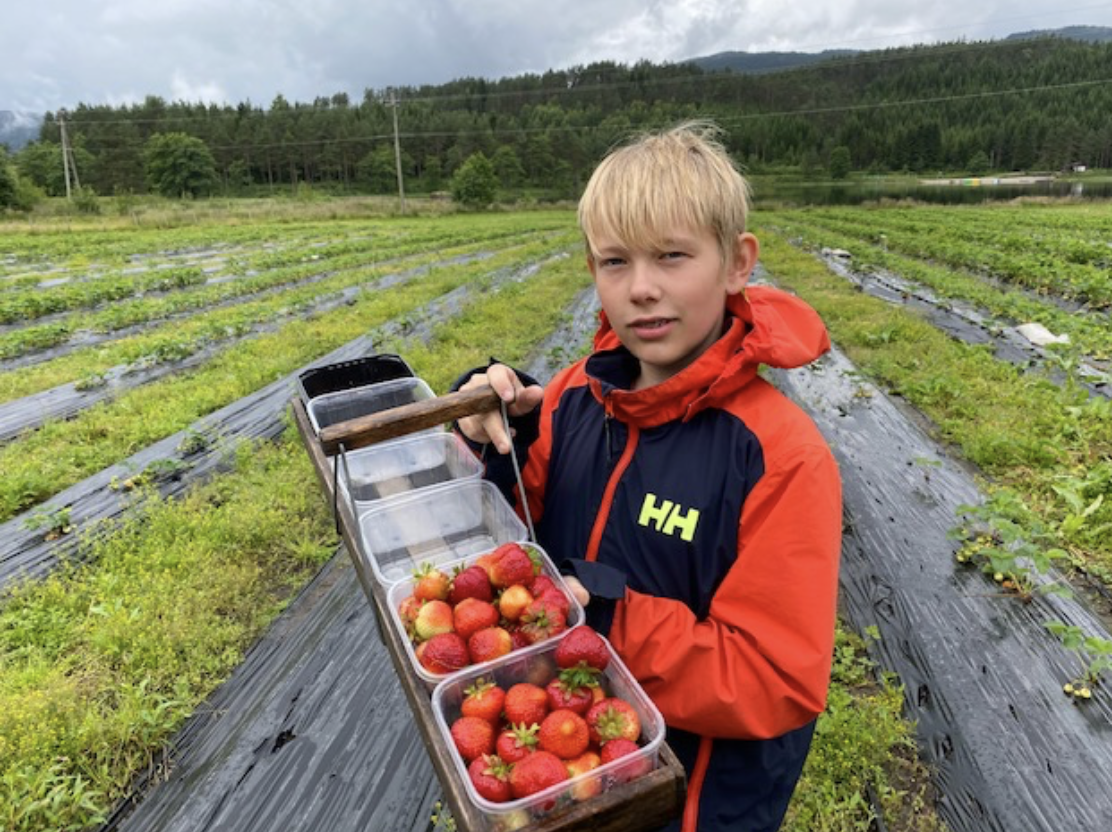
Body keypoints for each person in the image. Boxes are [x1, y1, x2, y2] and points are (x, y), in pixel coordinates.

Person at [455, 121, 842, 832]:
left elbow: (775, 680)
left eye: (671, 256)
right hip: (572, 757)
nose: (640, 289)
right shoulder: (573, 395)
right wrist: (496, 441)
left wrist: (605, 617)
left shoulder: (779, 457)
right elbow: (523, 531)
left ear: (736, 262)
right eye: (614, 262)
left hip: (689, 800)